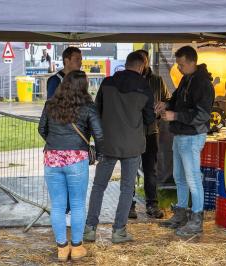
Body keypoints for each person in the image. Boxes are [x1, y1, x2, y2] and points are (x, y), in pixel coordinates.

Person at [84, 52, 155, 243]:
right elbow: (150, 119)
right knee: (126, 188)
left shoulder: (107, 83)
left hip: (108, 143)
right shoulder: (144, 86)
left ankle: (90, 229)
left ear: (126, 64)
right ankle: (118, 231)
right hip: (132, 145)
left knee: (98, 186)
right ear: (141, 67)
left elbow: (96, 111)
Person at [38, 70, 103, 262]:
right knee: (76, 204)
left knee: (57, 205)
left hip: (52, 158)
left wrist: (55, 145)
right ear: (83, 86)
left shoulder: (51, 104)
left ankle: (61, 249)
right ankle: (76, 247)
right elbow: (99, 134)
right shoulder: (88, 107)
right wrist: (97, 154)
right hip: (76, 158)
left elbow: (42, 129)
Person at [157, 46, 214, 237]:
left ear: (192, 62)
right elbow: (175, 100)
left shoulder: (203, 83)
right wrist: (166, 105)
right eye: (178, 65)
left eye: (181, 65)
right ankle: (180, 213)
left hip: (192, 136)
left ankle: (197, 220)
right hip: (180, 135)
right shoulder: (186, 78)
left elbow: (203, 115)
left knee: (193, 178)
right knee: (179, 177)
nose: (179, 68)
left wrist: (176, 115)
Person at [128, 49, 170, 219]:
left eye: (145, 60)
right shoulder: (128, 80)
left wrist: (163, 105)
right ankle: (128, 205)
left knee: (150, 170)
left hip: (151, 131)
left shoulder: (157, 81)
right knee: (129, 169)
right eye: (141, 60)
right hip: (130, 132)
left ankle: (152, 205)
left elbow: (167, 99)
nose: (143, 63)